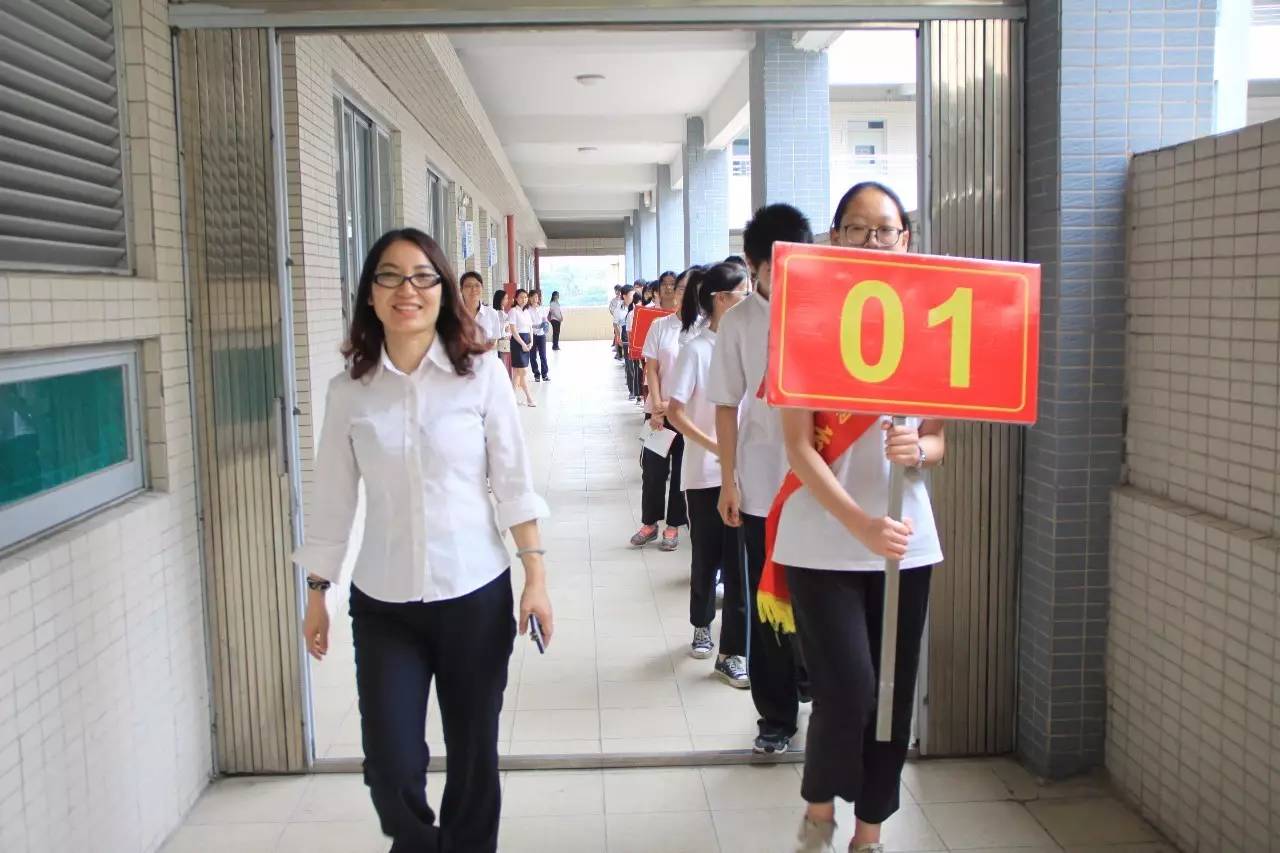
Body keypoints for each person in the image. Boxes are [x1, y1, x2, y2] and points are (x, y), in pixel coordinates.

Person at [295, 228, 554, 853]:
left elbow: (512, 484)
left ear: (443, 290)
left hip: (474, 595)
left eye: (422, 276)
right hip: (384, 605)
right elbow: (332, 497)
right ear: (370, 295)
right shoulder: (348, 391)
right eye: (389, 276)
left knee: (472, 757)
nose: (406, 290)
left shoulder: (481, 375)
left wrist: (536, 579)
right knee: (389, 763)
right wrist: (317, 591)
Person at [779, 183, 943, 853]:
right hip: (822, 540)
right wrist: (859, 524)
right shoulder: (805, 319)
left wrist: (920, 448)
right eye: (856, 228)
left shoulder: (933, 323)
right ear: (833, 237)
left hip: (906, 541)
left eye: (885, 229)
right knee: (847, 687)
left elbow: (936, 440)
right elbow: (797, 444)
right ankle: (819, 809)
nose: (872, 241)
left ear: (905, 238)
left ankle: (868, 833)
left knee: (893, 698)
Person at [707, 203, 813, 755]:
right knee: (767, 600)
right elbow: (726, 404)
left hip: (823, 486)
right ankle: (776, 716)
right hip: (762, 483)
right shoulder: (740, 323)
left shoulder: (828, 310)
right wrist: (728, 480)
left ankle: (809, 680)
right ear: (753, 266)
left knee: (817, 596)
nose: (786, 273)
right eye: (773, 265)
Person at [665, 263, 751, 686]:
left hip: (746, 475)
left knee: (740, 565)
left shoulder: (750, 346)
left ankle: (734, 650)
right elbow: (674, 412)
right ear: (721, 299)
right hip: (704, 473)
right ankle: (702, 623)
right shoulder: (696, 350)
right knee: (707, 555)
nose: (749, 301)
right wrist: (716, 445)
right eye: (742, 294)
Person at [631, 270, 690, 551]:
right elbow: (651, 367)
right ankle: (650, 522)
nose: (683, 294)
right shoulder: (661, 326)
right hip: (656, 411)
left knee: (681, 471)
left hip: (688, 414)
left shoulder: (703, 328)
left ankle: (673, 526)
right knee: (652, 469)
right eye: (679, 289)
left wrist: (673, 405)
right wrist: (657, 405)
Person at [506, 289, 536, 406]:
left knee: (518, 374)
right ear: (516, 299)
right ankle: (529, 398)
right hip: (518, 343)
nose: (524, 299)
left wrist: (531, 342)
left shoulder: (527, 312)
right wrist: (522, 344)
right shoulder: (513, 311)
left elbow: (530, 328)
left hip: (527, 341)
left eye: (525, 297)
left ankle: (511, 399)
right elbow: (513, 331)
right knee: (522, 371)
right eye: (521, 297)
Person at [462, 272, 503, 355]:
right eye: (468, 286)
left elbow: (494, 341)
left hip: (486, 364)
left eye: (477, 285)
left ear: (482, 288)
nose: (473, 289)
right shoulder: (455, 314)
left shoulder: (491, 313)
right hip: (461, 364)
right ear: (461, 289)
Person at [528, 290, 550, 382]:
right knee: (532, 356)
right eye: (532, 297)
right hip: (532, 335)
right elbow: (528, 324)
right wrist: (537, 326)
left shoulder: (542, 309)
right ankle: (536, 374)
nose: (534, 299)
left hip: (541, 335)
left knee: (543, 355)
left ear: (538, 298)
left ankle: (544, 374)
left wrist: (546, 325)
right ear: (529, 298)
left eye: (536, 297)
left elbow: (545, 320)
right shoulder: (527, 310)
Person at [492, 289, 513, 375]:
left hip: (505, 340)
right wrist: (507, 328)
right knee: (503, 363)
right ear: (500, 299)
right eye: (505, 298)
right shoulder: (498, 313)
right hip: (503, 341)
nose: (507, 300)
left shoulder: (501, 311)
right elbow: (500, 330)